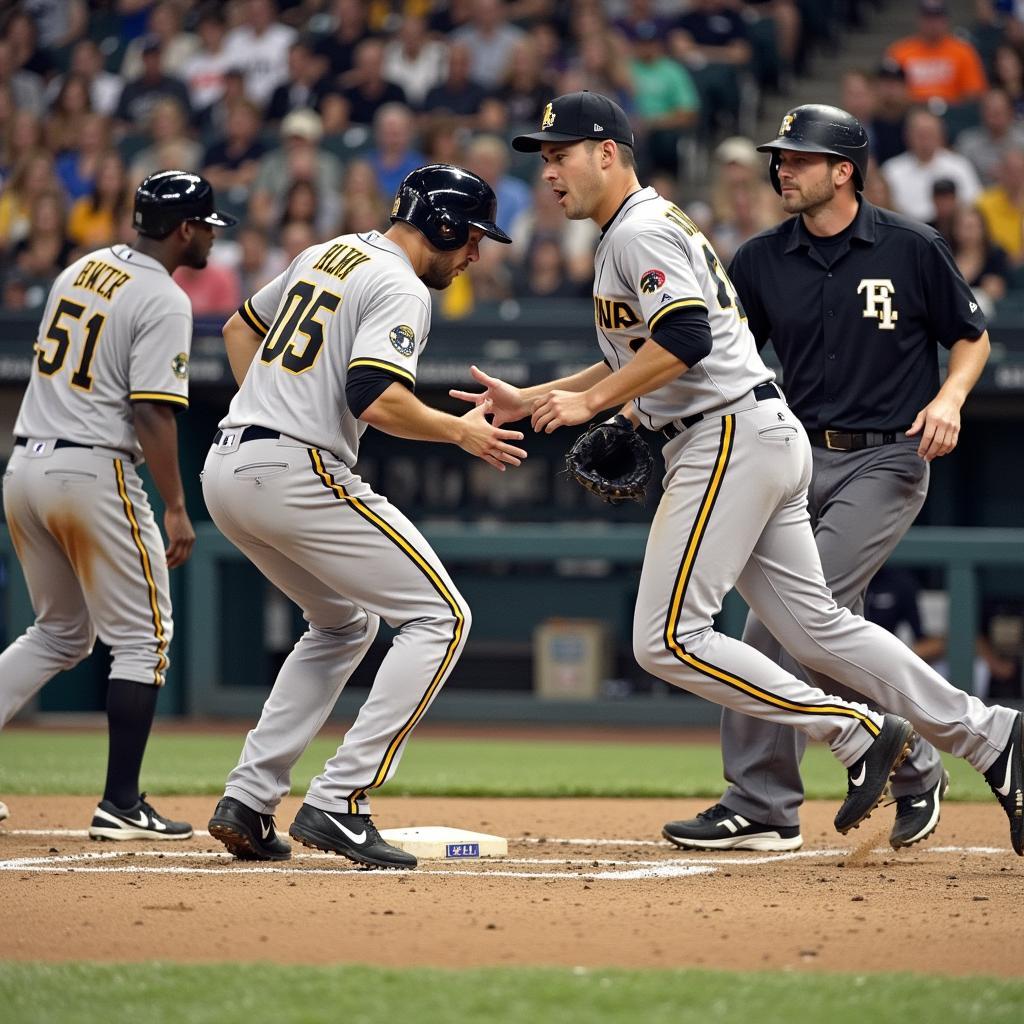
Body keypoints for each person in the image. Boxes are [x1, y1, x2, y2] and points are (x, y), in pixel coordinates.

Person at [458, 91, 1023, 856]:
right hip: (763, 431)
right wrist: (537, 395)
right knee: (816, 630)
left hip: (728, 435)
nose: (550, 172)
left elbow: (686, 337)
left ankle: (857, 734)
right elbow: (658, 343)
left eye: (559, 155)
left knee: (666, 639)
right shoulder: (648, 229)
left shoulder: (639, 233)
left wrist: (594, 400)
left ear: (607, 153)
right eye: (546, 159)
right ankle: (994, 738)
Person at [659, 104, 995, 854]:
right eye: (781, 157)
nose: (784, 167)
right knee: (827, 634)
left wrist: (950, 397)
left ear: (844, 171)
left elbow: (970, 336)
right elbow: (720, 360)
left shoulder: (909, 246)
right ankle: (912, 767)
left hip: (889, 455)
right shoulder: (758, 258)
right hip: (798, 457)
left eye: (800, 159)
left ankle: (760, 801)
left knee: (780, 624)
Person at [204, 165, 526, 869]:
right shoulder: (402, 285)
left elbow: (238, 328)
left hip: (228, 466)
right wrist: (460, 430)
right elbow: (375, 397)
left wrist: (270, 403)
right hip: (294, 468)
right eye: (471, 237)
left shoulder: (326, 251)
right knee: (443, 617)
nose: (476, 253)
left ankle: (249, 801)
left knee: (344, 624)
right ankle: (341, 801)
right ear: (441, 224)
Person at [0, 170, 236, 837]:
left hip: (25, 466)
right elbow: (153, 413)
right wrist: (176, 505)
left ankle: (122, 801)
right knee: (144, 639)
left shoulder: (80, 269)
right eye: (206, 228)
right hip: (91, 468)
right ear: (183, 228)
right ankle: (122, 803)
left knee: (58, 633)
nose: (211, 241)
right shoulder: (163, 296)